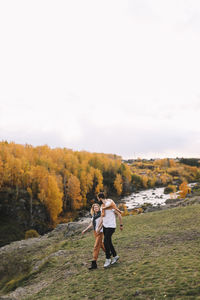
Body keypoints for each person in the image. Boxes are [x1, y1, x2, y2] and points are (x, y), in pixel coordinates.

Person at [97, 192, 123, 268]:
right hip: (105, 226)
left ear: (99, 198)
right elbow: (102, 218)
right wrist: (99, 227)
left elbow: (119, 214)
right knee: (109, 242)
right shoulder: (102, 206)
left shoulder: (110, 204)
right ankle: (115, 256)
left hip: (111, 226)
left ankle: (108, 259)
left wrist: (121, 225)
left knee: (105, 242)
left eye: (98, 198)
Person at [82, 203, 105, 270]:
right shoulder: (94, 215)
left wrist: (99, 229)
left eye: (97, 207)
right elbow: (91, 224)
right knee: (101, 245)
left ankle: (94, 263)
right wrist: (85, 230)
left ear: (99, 207)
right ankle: (109, 255)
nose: (96, 208)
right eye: (94, 207)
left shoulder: (101, 214)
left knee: (96, 246)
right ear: (93, 209)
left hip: (100, 232)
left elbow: (103, 222)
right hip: (95, 232)